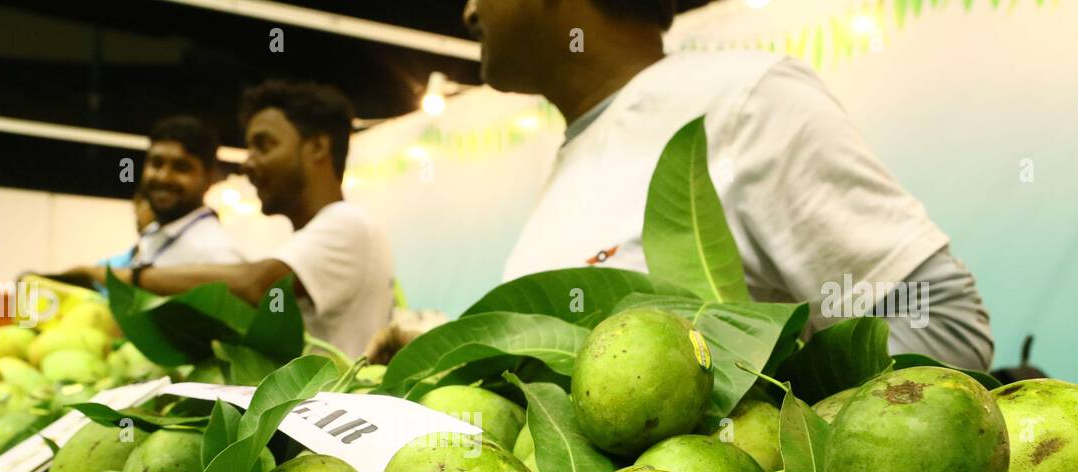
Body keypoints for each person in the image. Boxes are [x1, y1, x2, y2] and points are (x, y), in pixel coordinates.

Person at [459, 0, 994, 370]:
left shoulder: (745, 101)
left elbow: (940, 322)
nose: (469, 11)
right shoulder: (576, 155)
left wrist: (776, 451)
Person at [66, 82, 395, 360]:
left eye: (263, 145)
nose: (247, 163)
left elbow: (255, 284)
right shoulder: (319, 234)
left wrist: (124, 278)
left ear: (318, 147)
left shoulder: (347, 223)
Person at [128, 115, 243, 269]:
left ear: (209, 178)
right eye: (156, 163)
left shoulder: (218, 255)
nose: (163, 177)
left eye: (180, 167)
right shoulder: (153, 234)